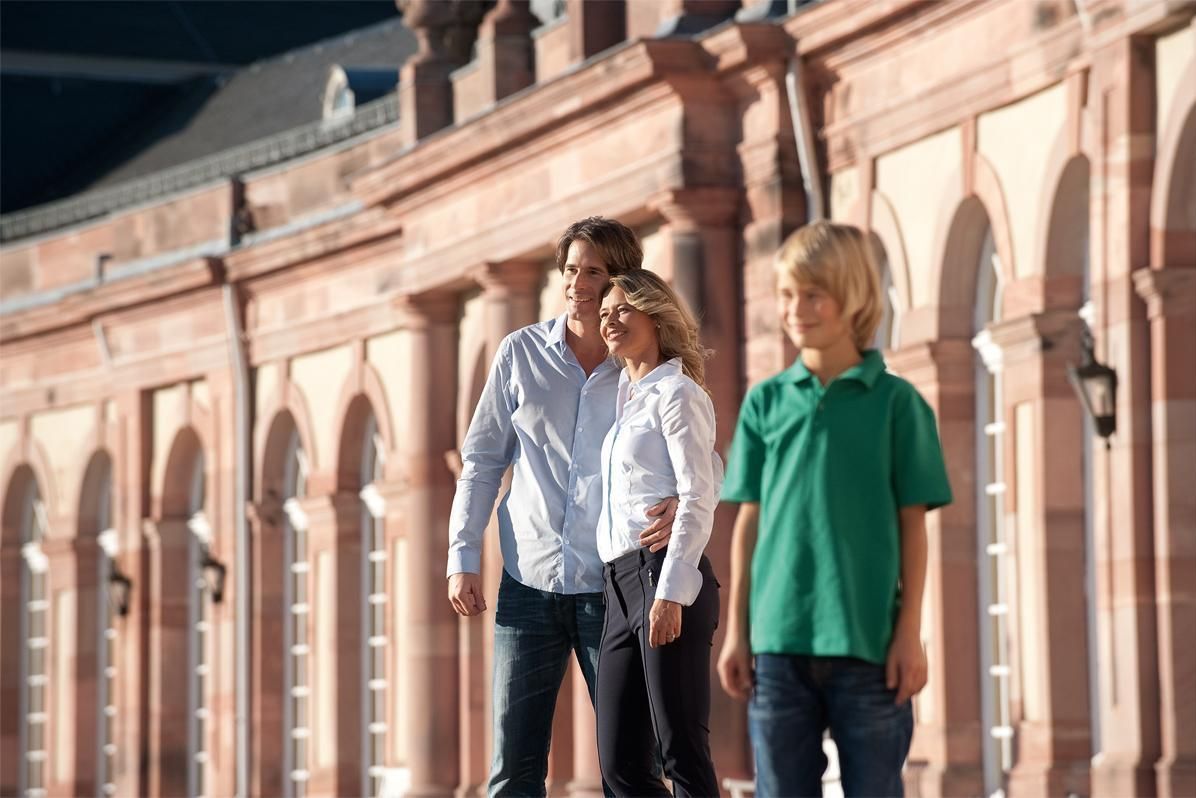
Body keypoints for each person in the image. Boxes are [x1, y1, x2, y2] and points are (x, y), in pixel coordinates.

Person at [716, 220, 953, 797]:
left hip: (869, 645)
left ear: (855, 298)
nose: (796, 309)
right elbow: (748, 525)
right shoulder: (765, 402)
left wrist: (909, 634)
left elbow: (912, 528)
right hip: (778, 645)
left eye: (813, 294)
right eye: (787, 295)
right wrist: (737, 632)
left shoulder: (898, 405)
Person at [446, 217, 677, 797]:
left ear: (619, 279)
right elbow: (481, 462)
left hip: (614, 588)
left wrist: (687, 497)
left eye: (593, 271)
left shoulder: (642, 366)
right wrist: (462, 555)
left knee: (631, 764)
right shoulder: (519, 353)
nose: (577, 283)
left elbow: (698, 440)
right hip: (528, 584)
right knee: (512, 769)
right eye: (571, 269)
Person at [593, 270, 722, 798]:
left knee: (681, 751)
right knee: (620, 763)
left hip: (663, 575)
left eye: (622, 309)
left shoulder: (676, 392)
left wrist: (670, 592)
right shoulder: (626, 400)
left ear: (654, 314)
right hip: (618, 586)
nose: (609, 320)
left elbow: (695, 491)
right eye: (604, 313)